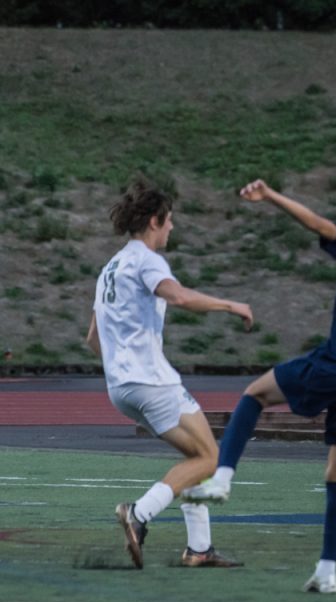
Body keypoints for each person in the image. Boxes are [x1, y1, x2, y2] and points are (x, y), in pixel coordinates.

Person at [183, 179, 336, 595]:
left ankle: (223, 479)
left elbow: (318, 224)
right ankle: (327, 571)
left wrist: (272, 196)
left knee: (255, 394)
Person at [87, 178, 253, 569]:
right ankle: (139, 514)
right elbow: (177, 296)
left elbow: (93, 336)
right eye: (170, 221)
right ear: (154, 221)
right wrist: (231, 305)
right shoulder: (147, 260)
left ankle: (199, 549)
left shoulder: (109, 268)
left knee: (195, 457)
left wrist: (122, 362)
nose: (173, 228)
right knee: (213, 458)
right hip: (150, 380)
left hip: (120, 386)